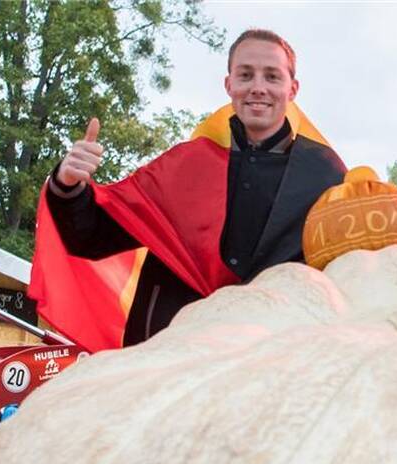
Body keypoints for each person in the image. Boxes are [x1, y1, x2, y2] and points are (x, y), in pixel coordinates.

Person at [42, 28, 347, 347]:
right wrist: (69, 183)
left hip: (272, 364)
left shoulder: (325, 175)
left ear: (292, 88)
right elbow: (89, 238)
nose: (258, 88)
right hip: (167, 355)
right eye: (246, 75)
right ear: (229, 85)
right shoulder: (183, 166)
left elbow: (352, 270)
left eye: (272, 76)